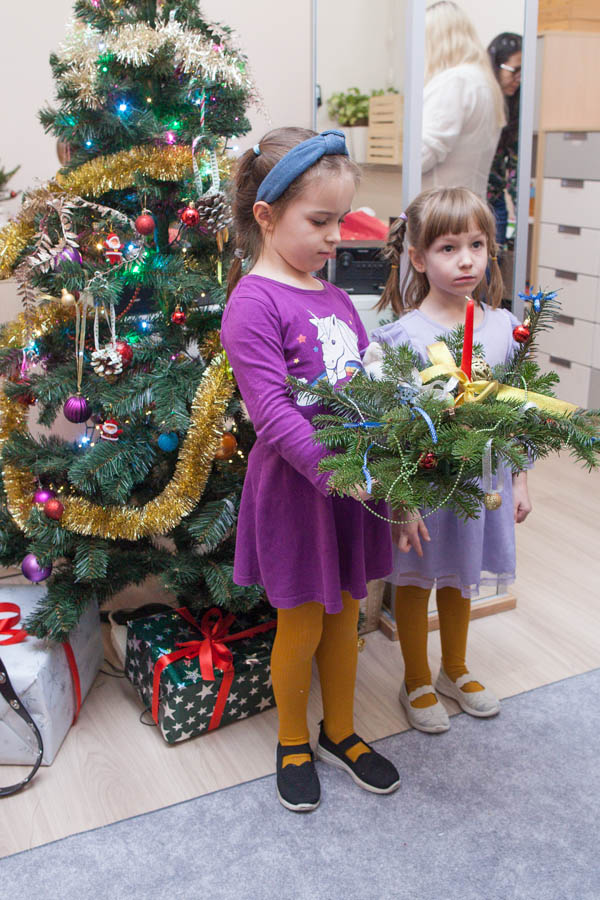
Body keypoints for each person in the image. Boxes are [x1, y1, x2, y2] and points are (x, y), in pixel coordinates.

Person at [220, 127, 400, 812]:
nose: (335, 237)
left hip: (352, 485)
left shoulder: (335, 298)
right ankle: (293, 740)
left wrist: (392, 479)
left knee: (347, 615)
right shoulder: (253, 303)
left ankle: (341, 731)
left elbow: (367, 388)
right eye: (320, 221)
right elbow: (271, 414)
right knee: (301, 623)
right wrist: (337, 472)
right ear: (267, 216)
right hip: (299, 493)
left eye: (341, 220)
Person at [372, 186, 532, 734]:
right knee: (418, 579)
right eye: (448, 248)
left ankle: (454, 670)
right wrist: (400, 500)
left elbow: (517, 413)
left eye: (476, 245)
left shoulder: (504, 328)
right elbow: (389, 431)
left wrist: (521, 480)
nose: (466, 260)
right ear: (418, 258)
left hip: (483, 482)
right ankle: (416, 678)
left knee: (461, 577)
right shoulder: (404, 337)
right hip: (426, 487)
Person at [421, 1, 505, 199]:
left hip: (441, 208)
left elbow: (422, 156)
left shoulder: (454, 82)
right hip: (469, 205)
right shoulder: (483, 81)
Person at [487, 33, 522, 248]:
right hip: (466, 201)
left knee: (492, 263)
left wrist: (521, 218)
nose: (519, 79)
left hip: (495, 203)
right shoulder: (478, 100)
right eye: (515, 70)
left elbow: (516, 168)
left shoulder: (516, 106)